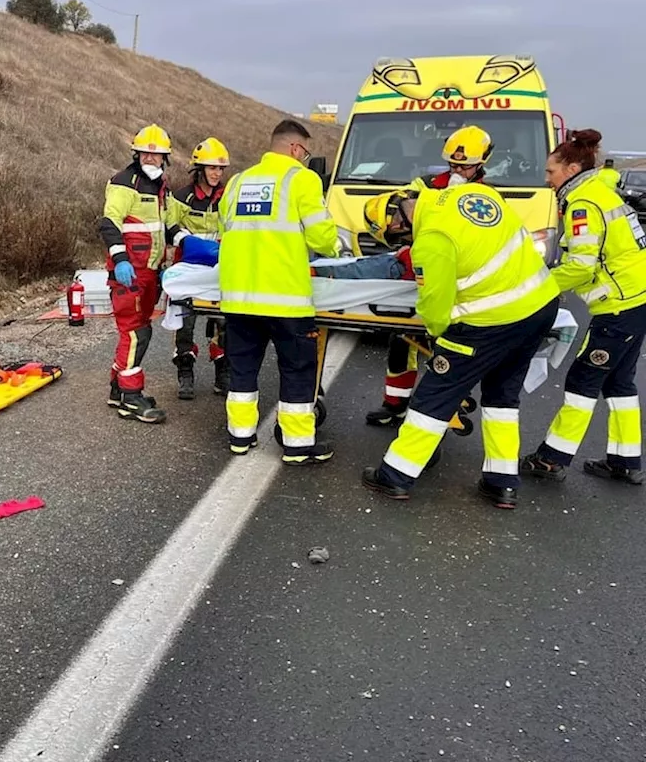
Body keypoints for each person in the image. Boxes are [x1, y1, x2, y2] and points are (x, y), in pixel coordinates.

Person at [359, 183, 560, 508]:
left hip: (491, 321)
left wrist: (443, 342)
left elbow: (436, 309)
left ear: (397, 224)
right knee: (502, 399)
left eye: (401, 238)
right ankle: (501, 483)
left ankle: (395, 475)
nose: (407, 243)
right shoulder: (472, 194)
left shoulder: (432, 240)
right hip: (541, 305)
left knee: (436, 394)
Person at [521, 131, 646, 485]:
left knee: (583, 379)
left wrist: (538, 288)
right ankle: (625, 461)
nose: (546, 179)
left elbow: (581, 265)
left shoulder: (583, 204)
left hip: (619, 305)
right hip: (637, 298)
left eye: (550, 172)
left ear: (572, 168)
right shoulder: (601, 191)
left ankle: (551, 459)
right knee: (620, 382)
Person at [217, 119, 338, 464]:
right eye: (305, 152)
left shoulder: (239, 181)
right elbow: (321, 238)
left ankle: (240, 438)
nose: (304, 158)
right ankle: (298, 446)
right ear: (296, 149)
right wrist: (333, 245)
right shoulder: (302, 179)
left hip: (238, 297)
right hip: (286, 299)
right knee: (297, 369)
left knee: (242, 369)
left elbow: (226, 229)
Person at [366, 125, 496, 429]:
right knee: (401, 343)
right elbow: (398, 203)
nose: (457, 170)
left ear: (481, 162)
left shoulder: (484, 198)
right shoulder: (426, 184)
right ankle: (395, 404)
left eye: (464, 166)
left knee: (447, 351)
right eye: (453, 164)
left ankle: (442, 409)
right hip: (419, 269)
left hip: (457, 279)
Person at [98, 123, 182, 423]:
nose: (150, 159)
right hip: (129, 273)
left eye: (156, 155)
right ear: (136, 153)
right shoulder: (124, 182)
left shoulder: (161, 188)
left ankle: (117, 388)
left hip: (150, 273)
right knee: (136, 333)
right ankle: (130, 398)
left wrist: (187, 241)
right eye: (145, 153)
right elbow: (110, 223)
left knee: (137, 329)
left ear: (164, 159)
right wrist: (120, 260)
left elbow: (168, 226)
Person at [167, 137, 229, 400]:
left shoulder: (227, 197)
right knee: (185, 323)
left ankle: (223, 373)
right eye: (212, 168)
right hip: (188, 268)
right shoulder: (181, 197)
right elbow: (169, 227)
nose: (216, 173)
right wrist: (187, 241)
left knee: (224, 322)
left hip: (219, 267)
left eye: (220, 169)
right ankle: (185, 372)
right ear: (199, 169)